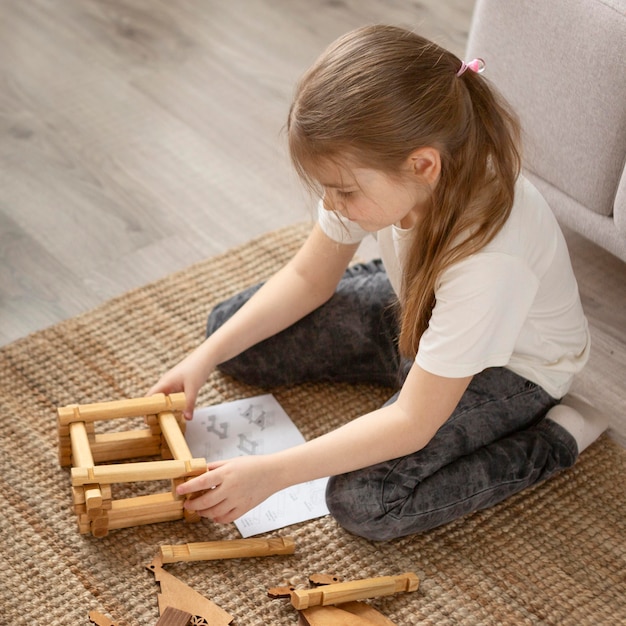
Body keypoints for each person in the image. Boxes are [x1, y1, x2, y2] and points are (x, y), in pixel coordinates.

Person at [149, 25, 607, 541]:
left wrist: (271, 473)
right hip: (420, 313)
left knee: (366, 501)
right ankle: (397, 356)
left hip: (509, 369)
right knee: (230, 334)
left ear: (423, 165)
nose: (330, 204)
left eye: (342, 191)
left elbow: (414, 421)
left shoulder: (491, 258)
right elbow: (307, 277)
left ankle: (555, 440)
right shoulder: (384, 175)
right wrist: (202, 356)